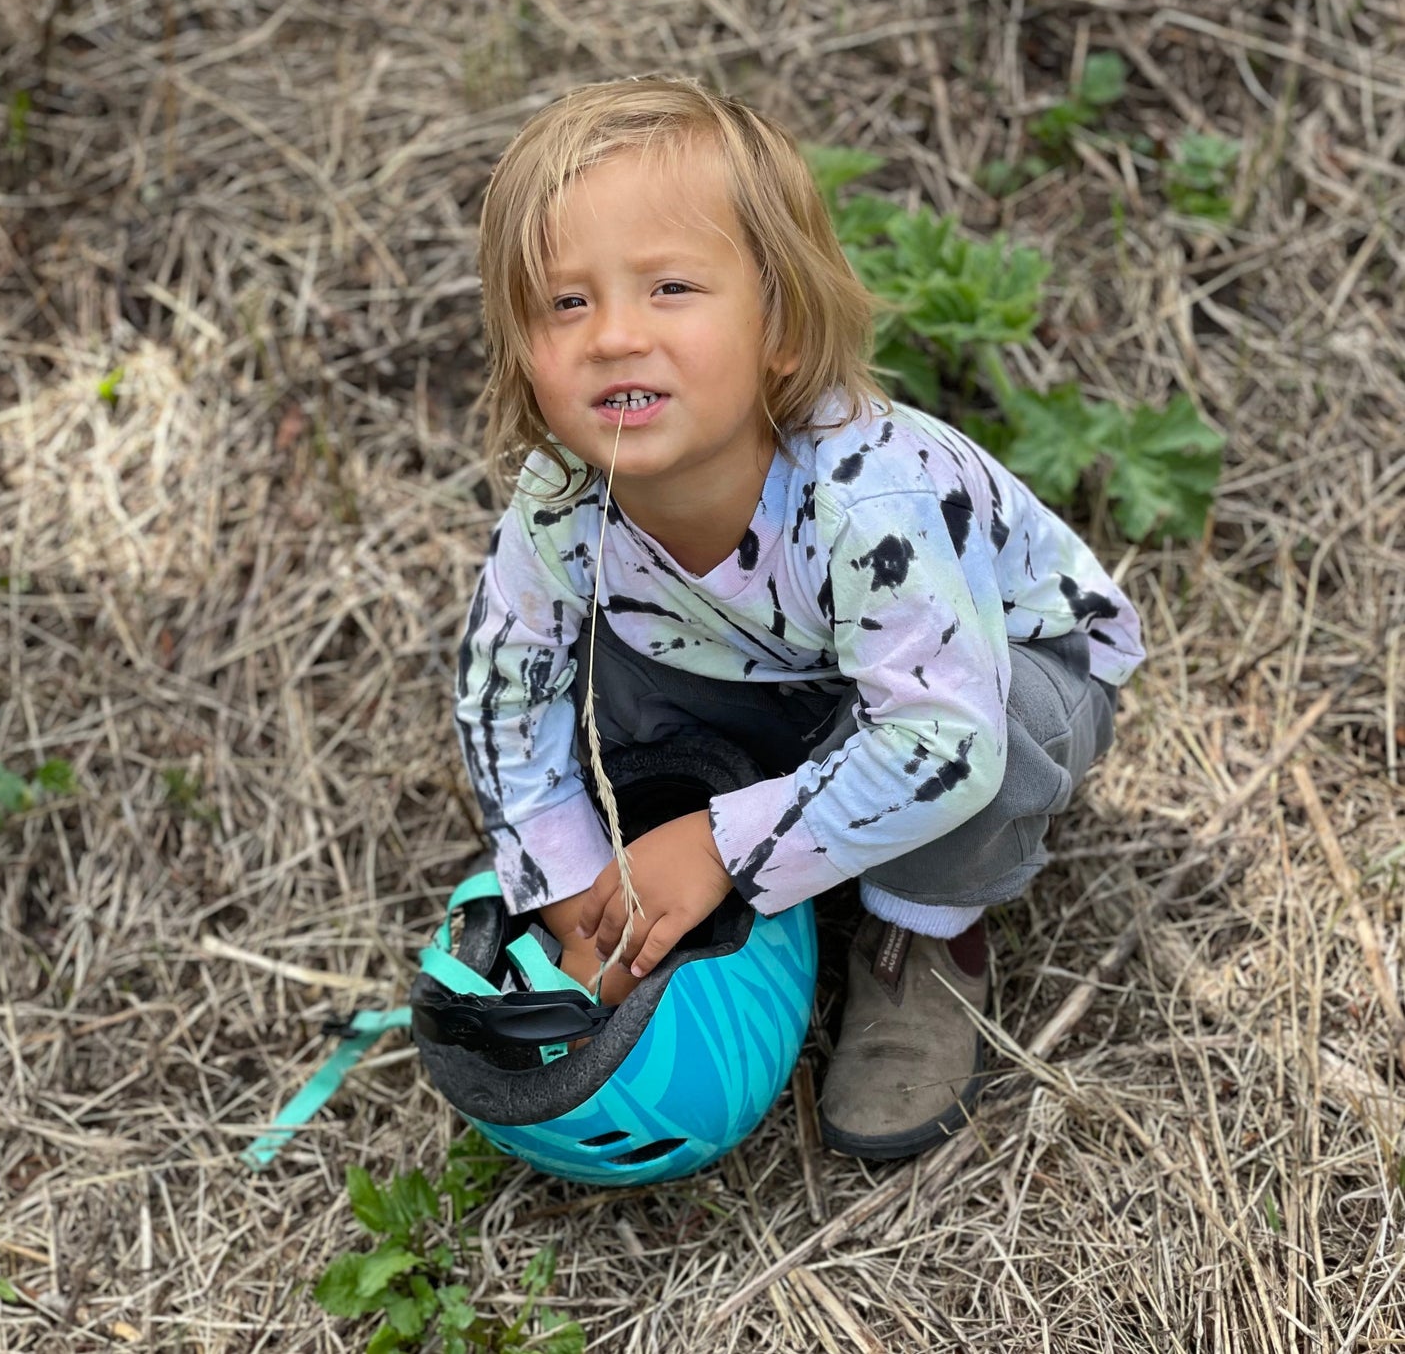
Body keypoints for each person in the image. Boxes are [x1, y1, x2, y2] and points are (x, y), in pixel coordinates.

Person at [453, 75, 1144, 1160]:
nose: (613, 335)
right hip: (770, 669)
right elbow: (502, 688)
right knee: (590, 668)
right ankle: (729, 814)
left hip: (985, 681)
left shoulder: (865, 496)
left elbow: (943, 740)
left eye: (671, 286)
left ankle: (922, 937)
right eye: (565, 302)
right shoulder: (559, 507)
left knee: (991, 748)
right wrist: (562, 873)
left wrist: (724, 844)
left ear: (778, 325)